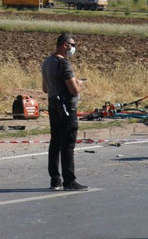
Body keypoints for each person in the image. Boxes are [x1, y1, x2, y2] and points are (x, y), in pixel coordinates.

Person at [41, 32, 87, 191]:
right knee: (68, 145)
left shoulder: (46, 63)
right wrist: (80, 83)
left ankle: (55, 180)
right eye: (73, 45)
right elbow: (73, 90)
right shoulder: (65, 64)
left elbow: (45, 88)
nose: (74, 49)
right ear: (65, 45)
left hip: (53, 106)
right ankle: (69, 180)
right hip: (67, 108)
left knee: (55, 143)